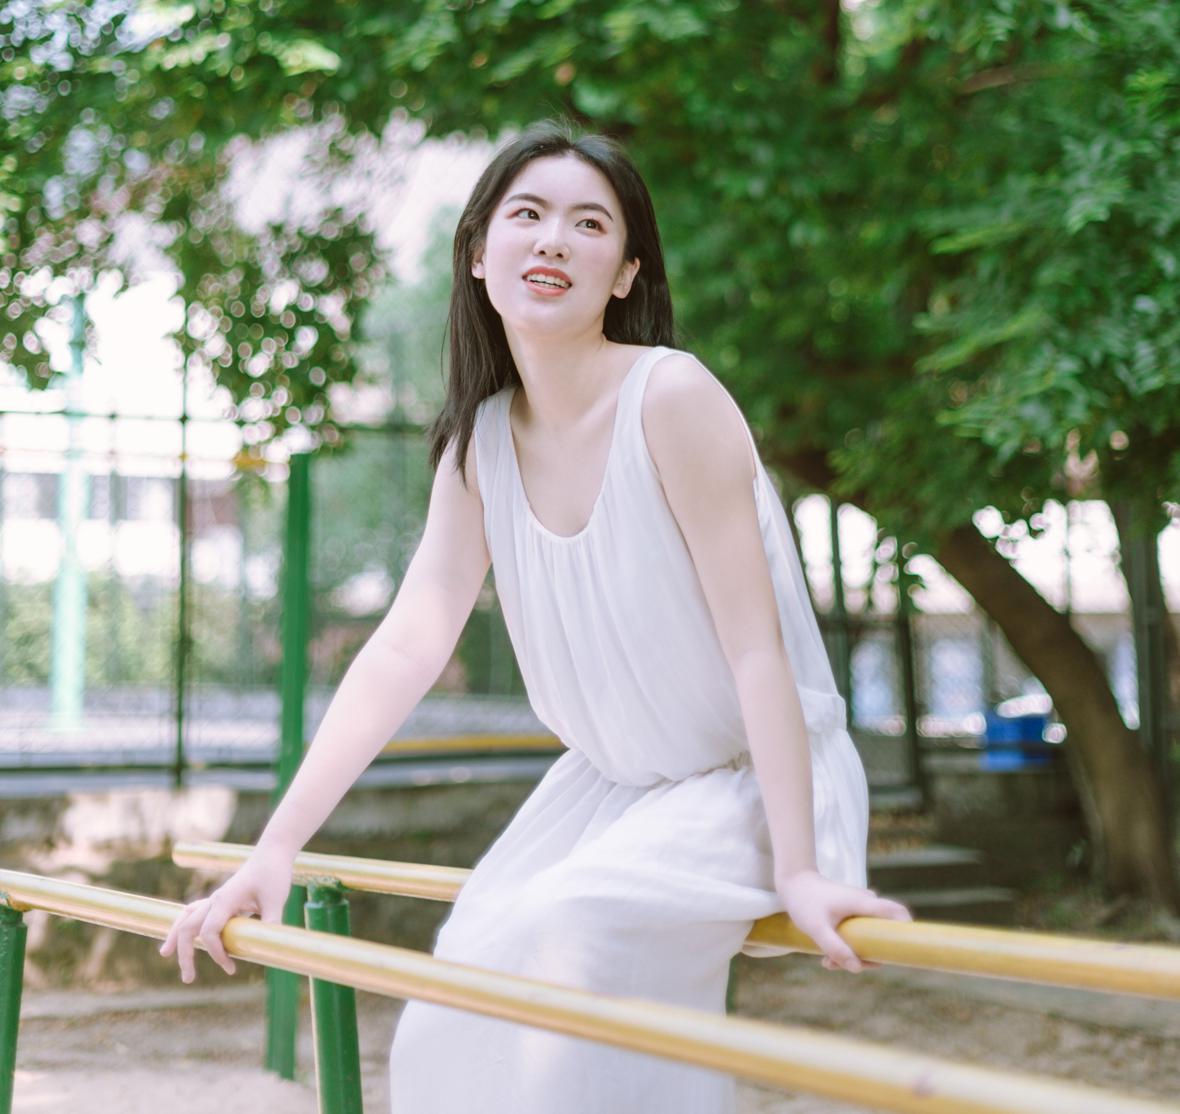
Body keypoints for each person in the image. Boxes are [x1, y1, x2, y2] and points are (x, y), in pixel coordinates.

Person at [161, 118, 913, 1111]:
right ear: (479, 252)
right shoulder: (479, 444)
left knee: (568, 936)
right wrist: (275, 846)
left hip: (751, 787)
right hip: (610, 795)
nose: (553, 238)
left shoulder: (671, 397)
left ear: (626, 274)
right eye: (527, 214)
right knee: (451, 1011)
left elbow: (755, 651)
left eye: (589, 224)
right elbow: (405, 647)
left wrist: (802, 867)